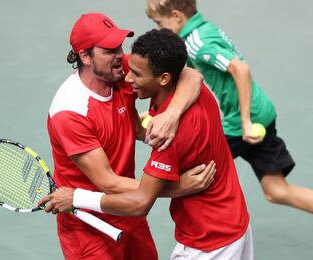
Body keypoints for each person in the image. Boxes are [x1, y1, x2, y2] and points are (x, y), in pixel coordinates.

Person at [41, 28, 253, 260]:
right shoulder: (72, 111)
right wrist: (147, 132)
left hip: (195, 236)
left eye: (120, 49)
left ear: (163, 78)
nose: (126, 71)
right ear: (85, 57)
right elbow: (109, 182)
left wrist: (171, 115)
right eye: (110, 51)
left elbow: (141, 201)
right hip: (89, 227)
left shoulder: (168, 136)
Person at [145, 0, 313, 213]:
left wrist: (245, 122)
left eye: (161, 23)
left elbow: (240, 69)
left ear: (177, 16)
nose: (160, 30)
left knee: (191, 169)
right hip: (261, 112)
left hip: (244, 120)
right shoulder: (204, 29)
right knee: (276, 191)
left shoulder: (198, 43)